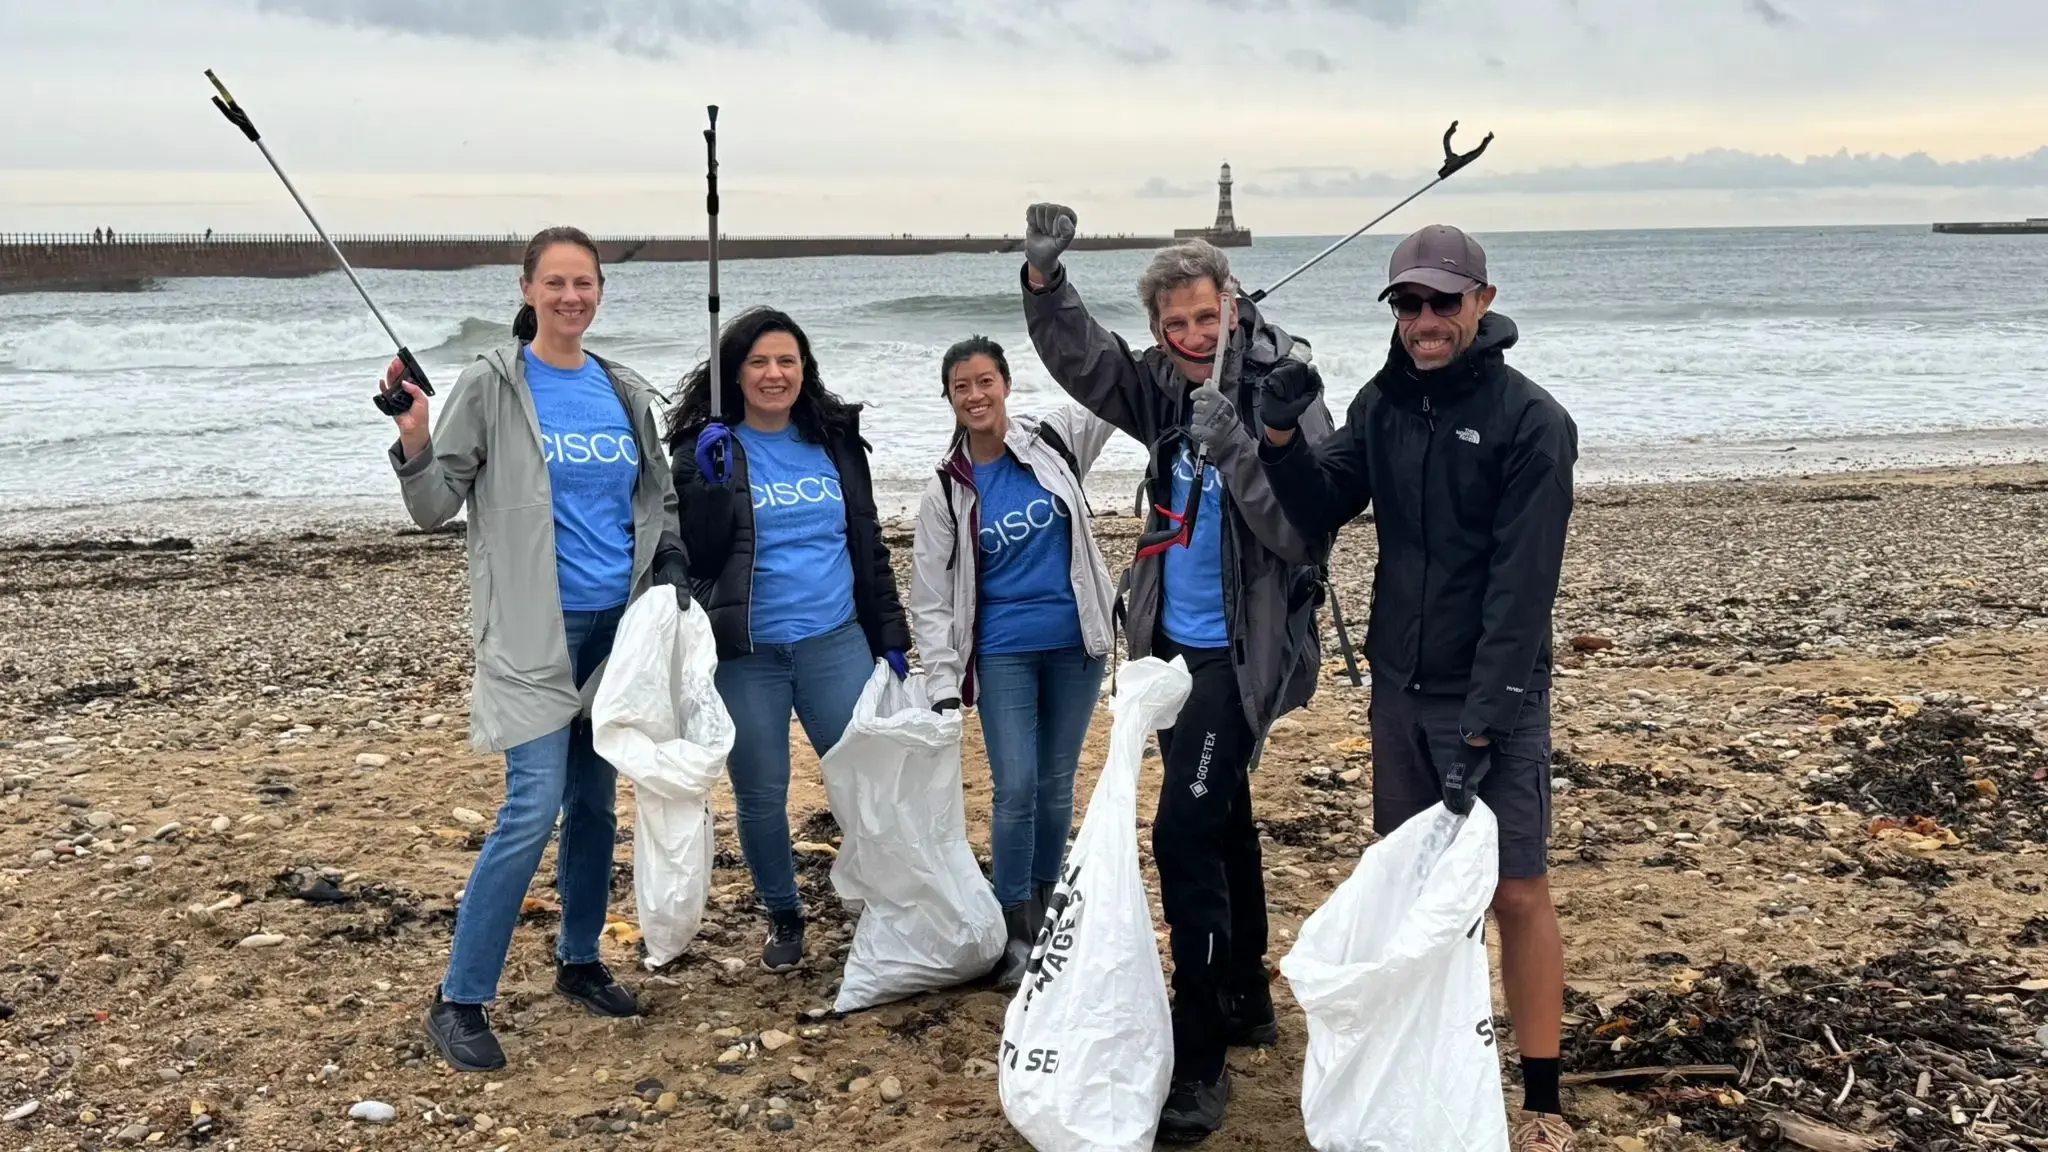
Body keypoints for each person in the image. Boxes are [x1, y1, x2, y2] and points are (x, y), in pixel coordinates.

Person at [1253, 224, 1580, 1152]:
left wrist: (1486, 720)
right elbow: (1321, 502)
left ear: (1482, 301)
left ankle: (1544, 1101)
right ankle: (1425, 1069)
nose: (1426, 320)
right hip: (1399, 690)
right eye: (1409, 302)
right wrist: (1279, 433)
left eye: (1444, 301)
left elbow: (1523, 587)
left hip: (1494, 694)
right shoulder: (1384, 402)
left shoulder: (1533, 422)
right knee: (1411, 885)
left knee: (1516, 888)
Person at [1018, 204, 1337, 1142]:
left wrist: (1240, 443)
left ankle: (1200, 1060)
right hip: (1170, 645)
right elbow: (1089, 364)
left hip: (1244, 654)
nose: (1193, 336)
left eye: (1206, 316)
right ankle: (1247, 995)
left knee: (1183, 833)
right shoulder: (1161, 384)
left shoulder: (1285, 387)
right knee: (1222, 811)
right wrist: (1045, 283)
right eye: (1175, 324)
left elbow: (1302, 532)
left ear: (1232, 304)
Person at [380, 225, 693, 1074]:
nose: (570, 297)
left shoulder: (622, 390)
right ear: (527, 290)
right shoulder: (493, 384)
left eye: (583, 283)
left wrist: (669, 563)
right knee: (532, 806)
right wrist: (415, 433)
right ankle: (459, 999)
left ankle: (579, 960)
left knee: (594, 807)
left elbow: (656, 498)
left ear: (600, 292)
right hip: (529, 634)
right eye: (554, 282)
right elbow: (434, 505)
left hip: (615, 633)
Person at [664, 306, 912, 974]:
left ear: (805, 369)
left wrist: (891, 633)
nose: (774, 374)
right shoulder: (705, 448)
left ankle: (881, 901)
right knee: (761, 792)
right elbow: (699, 556)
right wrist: (709, 486)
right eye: (758, 362)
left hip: (836, 640)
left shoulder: (834, 440)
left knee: (865, 783)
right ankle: (783, 911)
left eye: (787, 361)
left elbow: (868, 543)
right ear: (734, 374)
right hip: (748, 653)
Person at [907, 335, 1118, 989]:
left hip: (1076, 645)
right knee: (1016, 788)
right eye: (961, 387)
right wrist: (943, 682)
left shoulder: (1054, 441)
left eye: (985, 381)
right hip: (1003, 654)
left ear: (1005, 384)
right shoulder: (948, 488)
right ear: (949, 398)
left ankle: (1047, 909)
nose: (976, 395)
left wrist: (1173, 344)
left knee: (1056, 784)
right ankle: (1011, 925)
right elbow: (930, 597)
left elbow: (1113, 390)